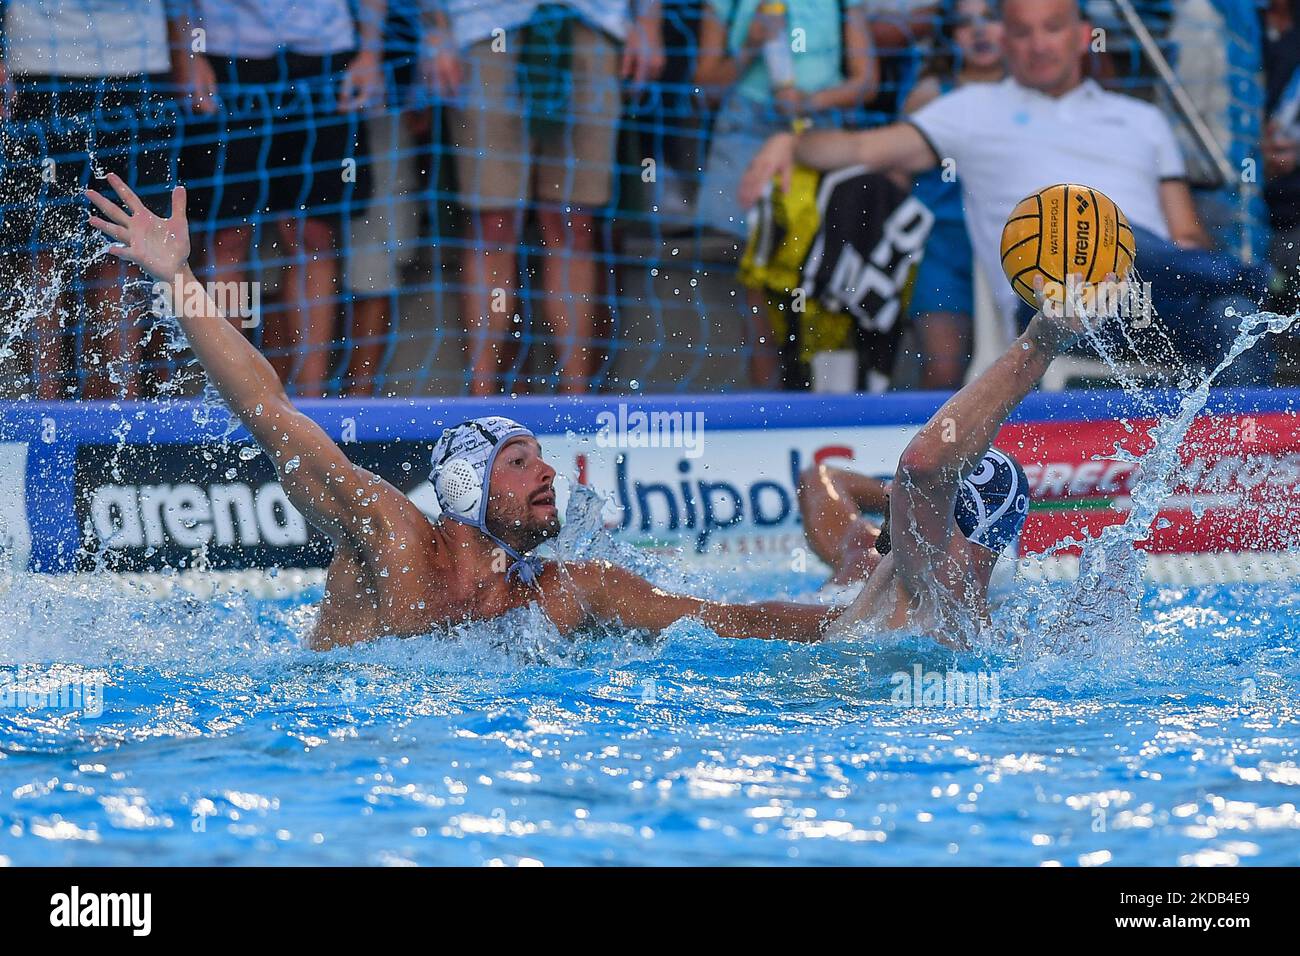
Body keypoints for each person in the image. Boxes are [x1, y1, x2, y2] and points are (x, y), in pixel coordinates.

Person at [87, 173, 1083, 649]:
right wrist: (178, 279)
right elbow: (269, 409)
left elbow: (719, 618)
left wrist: (851, 628)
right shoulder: (387, 534)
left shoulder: (565, 589)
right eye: (522, 461)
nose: (547, 473)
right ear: (470, 482)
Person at [740, 0, 1275, 386]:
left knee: (1236, 321)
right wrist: (793, 139)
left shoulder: (1142, 119)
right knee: (1154, 256)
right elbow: (864, 148)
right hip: (1055, 307)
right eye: (1021, 31)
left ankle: (1229, 484)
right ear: (1006, 39)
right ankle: (1261, 281)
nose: (1038, 44)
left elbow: (1183, 230)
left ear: (1083, 33)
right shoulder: (970, 110)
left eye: (1052, 28)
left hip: (1151, 295)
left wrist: (1190, 261)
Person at [429, 1, 665, 396]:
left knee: (574, 223)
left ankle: (576, 402)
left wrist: (648, 22)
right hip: (482, 28)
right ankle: (480, 403)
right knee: (493, 223)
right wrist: (434, 30)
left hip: (592, 24)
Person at [179, 0, 386, 398]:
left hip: (324, 55)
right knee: (227, 237)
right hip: (227, 55)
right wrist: (188, 53)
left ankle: (311, 402)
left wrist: (370, 52)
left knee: (314, 235)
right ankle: (232, 395)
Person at [0, 0, 184, 400]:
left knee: (125, 248)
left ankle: (123, 402)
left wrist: (186, 51)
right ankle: (42, 402)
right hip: (38, 62)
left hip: (137, 64)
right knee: (41, 251)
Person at [694, 0, 878, 387]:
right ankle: (767, 403)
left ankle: (828, 398)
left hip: (818, 130)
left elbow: (866, 82)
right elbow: (705, 86)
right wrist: (749, 46)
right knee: (756, 276)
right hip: (746, 128)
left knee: (828, 268)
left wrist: (811, 101)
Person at [899, 0, 1005, 389]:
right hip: (943, 244)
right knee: (943, 371)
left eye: (990, 19)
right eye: (964, 23)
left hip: (1011, 244)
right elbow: (895, 169)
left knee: (1013, 368)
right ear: (950, 36)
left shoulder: (1034, 98)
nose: (978, 31)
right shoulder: (930, 95)